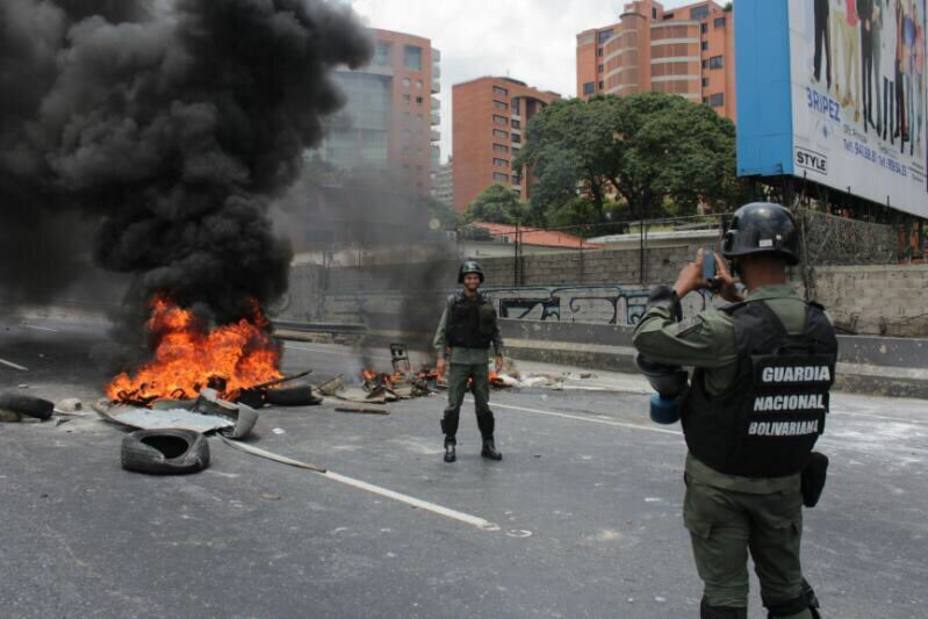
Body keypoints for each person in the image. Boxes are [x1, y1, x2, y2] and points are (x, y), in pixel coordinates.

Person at [633, 203, 838, 619]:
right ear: (789, 255)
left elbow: (649, 338)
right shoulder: (821, 325)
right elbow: (774, 328)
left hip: (721, 487)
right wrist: (739, 297)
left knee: (725, 596)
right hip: (783, 484)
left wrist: (676, 289)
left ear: (736, 259)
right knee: (787, 593)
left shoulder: (725, 327)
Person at [433, 260, 504, 463]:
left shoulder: (487, 301)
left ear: (479, 280)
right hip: (459, 359)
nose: (472, 280)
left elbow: (495, 330)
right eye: (468, 277)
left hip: (481, 359)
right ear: (463, 280)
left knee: (483, 405)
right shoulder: (453, 302)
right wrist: (441, 358)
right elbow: (443, 330)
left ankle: (488, 444)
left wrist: (499, 353)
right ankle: (450, 443)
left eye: (475, 277)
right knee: (454, 404)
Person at [813, 0, 832, 88]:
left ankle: (829, 78)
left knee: (827, 47)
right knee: (818, 44)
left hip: (826, 12)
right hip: (817, 10)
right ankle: (817, 74)